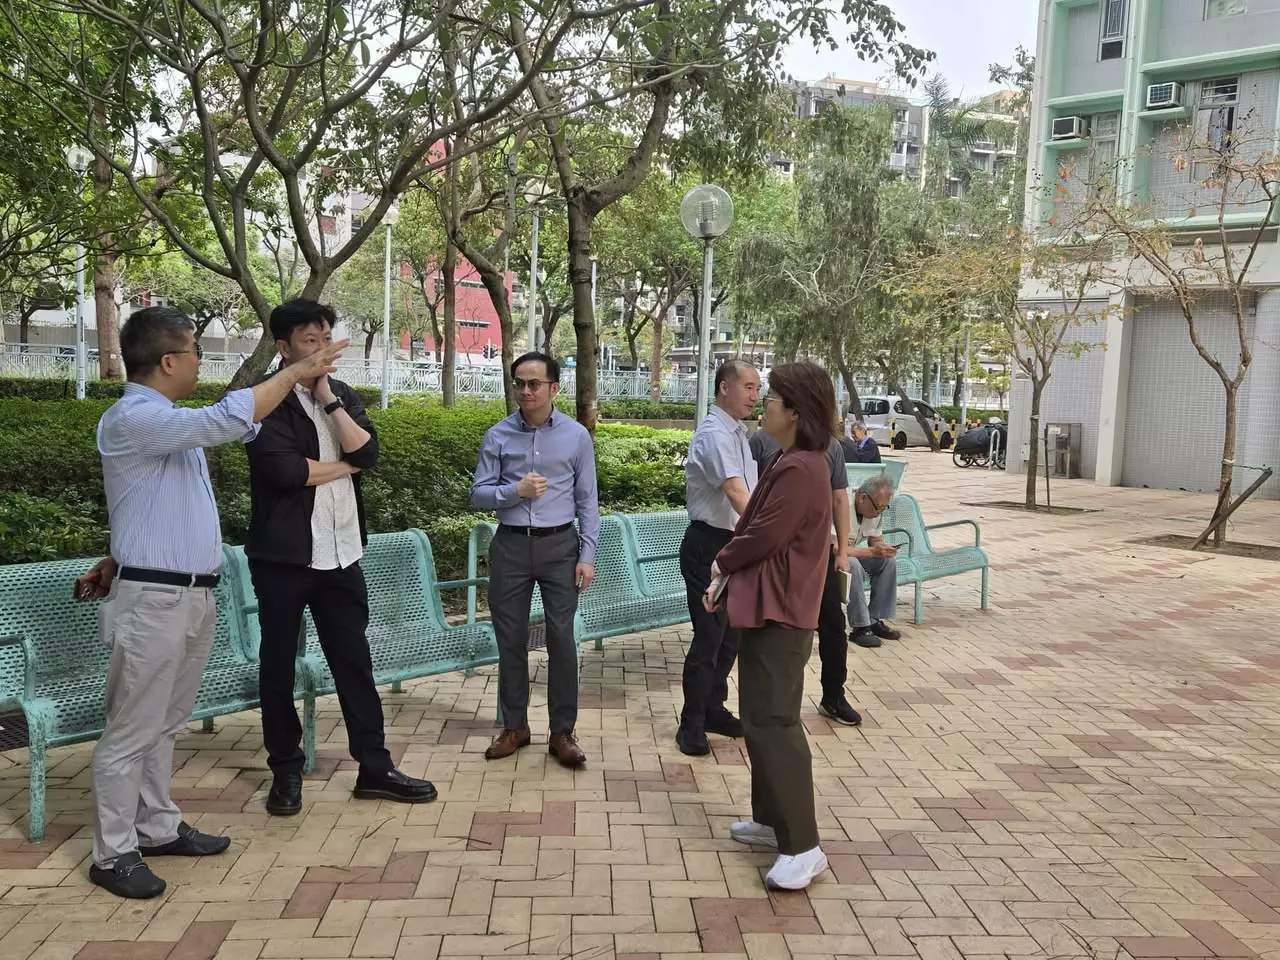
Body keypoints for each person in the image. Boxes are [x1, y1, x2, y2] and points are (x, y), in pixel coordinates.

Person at [74, 305, 346, 899]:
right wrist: (296, 370)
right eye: (196, 350)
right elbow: (229, 417)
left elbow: (146, 505)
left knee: (165, 724)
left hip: (186, 594)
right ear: (169, 361)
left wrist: (118, 555)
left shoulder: (169, 422)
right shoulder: (135, 417)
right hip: (155, 601)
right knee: (131, 730)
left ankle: (156, 827)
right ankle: (112, 853)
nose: (201, 360)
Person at [244, 299, 436, 816]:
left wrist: (327, 398)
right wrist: (346, 467)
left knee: (354, 663)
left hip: (343, 554)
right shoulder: (261, 402)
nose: (323, 349)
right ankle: (286, 771)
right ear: (284, 348)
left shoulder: (343, 394)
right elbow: (288, 472)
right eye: (310, 341)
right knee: (278, 667)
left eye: (327, 338)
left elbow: (368, 453)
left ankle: (374, 767)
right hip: (284, 559)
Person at [709, 362, 835, 891]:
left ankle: (803, 846)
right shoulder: (792, 460)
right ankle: (770, 819)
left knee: (776, 722)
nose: (765, 406)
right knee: (760, 716)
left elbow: (763, 534)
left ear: (796, 412)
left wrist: (722, 563)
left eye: (773, 399)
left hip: (782, 611)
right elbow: (759, 527)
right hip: (770, 606)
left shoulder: (802, 467)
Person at [470, 352, 599, 767]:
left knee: (561, 638)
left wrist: (587, 555)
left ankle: (562, 732)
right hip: (510, 546)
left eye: (534, 384)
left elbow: (588, 500)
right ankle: (515, 727)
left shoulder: (576, 436)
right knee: (510, 639)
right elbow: (478, 494)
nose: (525, 391)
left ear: (553, 388)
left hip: (560, 546)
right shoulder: (498, 435)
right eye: (519, 383)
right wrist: (515, 492)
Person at [676, 359, 760, 756]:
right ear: (725, 387)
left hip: (734, 544)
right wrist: (767, 534)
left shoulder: (738, 434)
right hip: (708, 546)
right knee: (709, 638)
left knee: (730, 637)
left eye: (757, 388)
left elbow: (750, 495)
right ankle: (690, 724)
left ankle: (713, 708)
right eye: (748, 387)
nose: (755, 396)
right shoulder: (714, 435)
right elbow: (737, 493)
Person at [749, 427, 861, 727]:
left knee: (833, 626)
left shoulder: (830, 446)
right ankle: (769, 706)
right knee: (775, 631)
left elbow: (839, 498)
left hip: (818, 555)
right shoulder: (762, 441)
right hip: (775, 556)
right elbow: (751, 497)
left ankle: (833, 696)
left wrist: (842, 551)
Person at [847, 475, 900, 649]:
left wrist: (883, 549)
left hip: (851, 552)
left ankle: (874, 619)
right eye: (878, 507)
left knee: (888, 562)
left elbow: (875, 540)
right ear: (862, 498)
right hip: (826, 557)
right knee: (852, 564)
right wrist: (871, 551)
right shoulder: (842, 505)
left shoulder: (876, 510)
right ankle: (860, 626)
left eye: (884, 508)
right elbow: (834, 548)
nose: (879, 512)